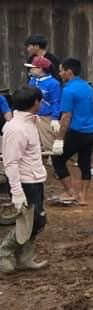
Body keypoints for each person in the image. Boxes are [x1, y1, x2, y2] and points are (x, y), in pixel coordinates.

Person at [0, 85, 49, 274]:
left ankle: (24, 258)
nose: (42, 103)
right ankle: (4, 253)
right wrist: (17, 192)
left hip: (35, 179)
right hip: (26, 182)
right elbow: (11, 163)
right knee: (32, 222)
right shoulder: (17, 129)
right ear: (35, 103)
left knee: (35, 222)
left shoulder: (29, 122)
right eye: (40, 100)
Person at [51, 58, 93, 205]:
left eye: (61, 70)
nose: (59, 73)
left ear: (69, 72)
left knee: (57, 159)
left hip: (77, 133)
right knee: (85, 162)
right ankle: (83, 197)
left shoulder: (68, 90)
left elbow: (66, 117)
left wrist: (59, 139)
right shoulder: (88, 87)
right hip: (92, 132)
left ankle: (70, 192)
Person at [25, 55, 61, 154]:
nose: (30, 70)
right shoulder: (32, 81)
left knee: (48, 141)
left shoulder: (53, 83)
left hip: (46, 116)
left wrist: (54, 118)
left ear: (40, 69)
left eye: (32, 67)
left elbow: (56, 101)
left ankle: (54, 160)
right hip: (32, 115)